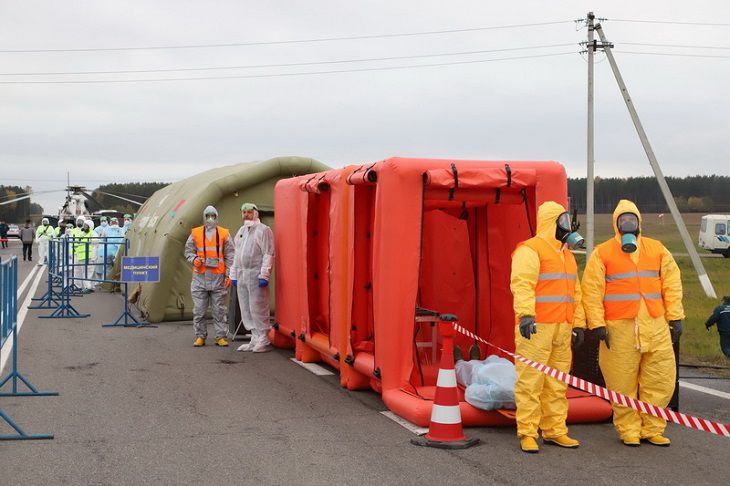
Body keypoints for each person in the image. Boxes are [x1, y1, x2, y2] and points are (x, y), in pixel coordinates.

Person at [582, 200, 683, 447]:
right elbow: (592, 290)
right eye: (623, 220)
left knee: (659, 378)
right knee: (621, 380)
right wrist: (596, 324)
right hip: (619, 328)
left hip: (655, 325)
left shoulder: (657, 249)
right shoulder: (603, 252)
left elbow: (672, 283)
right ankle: (628, 429)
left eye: (632, 219)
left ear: (639, 222)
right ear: (616, 223)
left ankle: (652, 427)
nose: (628, 224)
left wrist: (676, 317)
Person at [510, 201, 586, 453]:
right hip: (537, 328)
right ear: (551, 222)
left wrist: (578, 324)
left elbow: (576, 292)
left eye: (568, 221)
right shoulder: (530, 251)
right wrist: (526, 315)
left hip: (561, 329)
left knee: (557, 384)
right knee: (531, 382)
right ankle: (528, 433)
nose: (567, 226)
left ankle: (555, 431)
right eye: (562, 221)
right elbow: (522, 284)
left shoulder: (566, 256)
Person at [184, 206, 235, 347]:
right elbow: (188, 250)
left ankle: (220, 337)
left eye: (213, 215)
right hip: (200, 278)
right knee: (199, 310)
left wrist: (228, 275)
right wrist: (194, 259)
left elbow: (230, 255)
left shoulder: (224, 233)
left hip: (218, 278)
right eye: (207, 215)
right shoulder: (196, 233)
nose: (210, 218)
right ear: (204, 216)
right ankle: (200, 336)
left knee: (219, 310)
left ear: (217, 216)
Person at [231, 203, 274, 353]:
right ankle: (254, 337)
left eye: (249, 212)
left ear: (255, 213)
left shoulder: (263, 231)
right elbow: (236, 255)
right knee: (246, 308)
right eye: (244, 212)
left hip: (255, 274)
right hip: (243, 274)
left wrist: (264, 274)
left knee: (258, 306)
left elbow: (268, 253)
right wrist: (233, 274)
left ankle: (263, 337)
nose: (246, 215)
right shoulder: (242, 231)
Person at [72, 218, 95, 292]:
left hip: (90, 256)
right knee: (85, 272)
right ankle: (87, 287)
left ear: (90, 226)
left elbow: (96, 245)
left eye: (86, 226)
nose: (84, 227)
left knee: (89, 272)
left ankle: (88, 287)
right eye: (84, 225)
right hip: (82, 257)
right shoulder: (82, 234)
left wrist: (94, 256)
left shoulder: (93, 233)